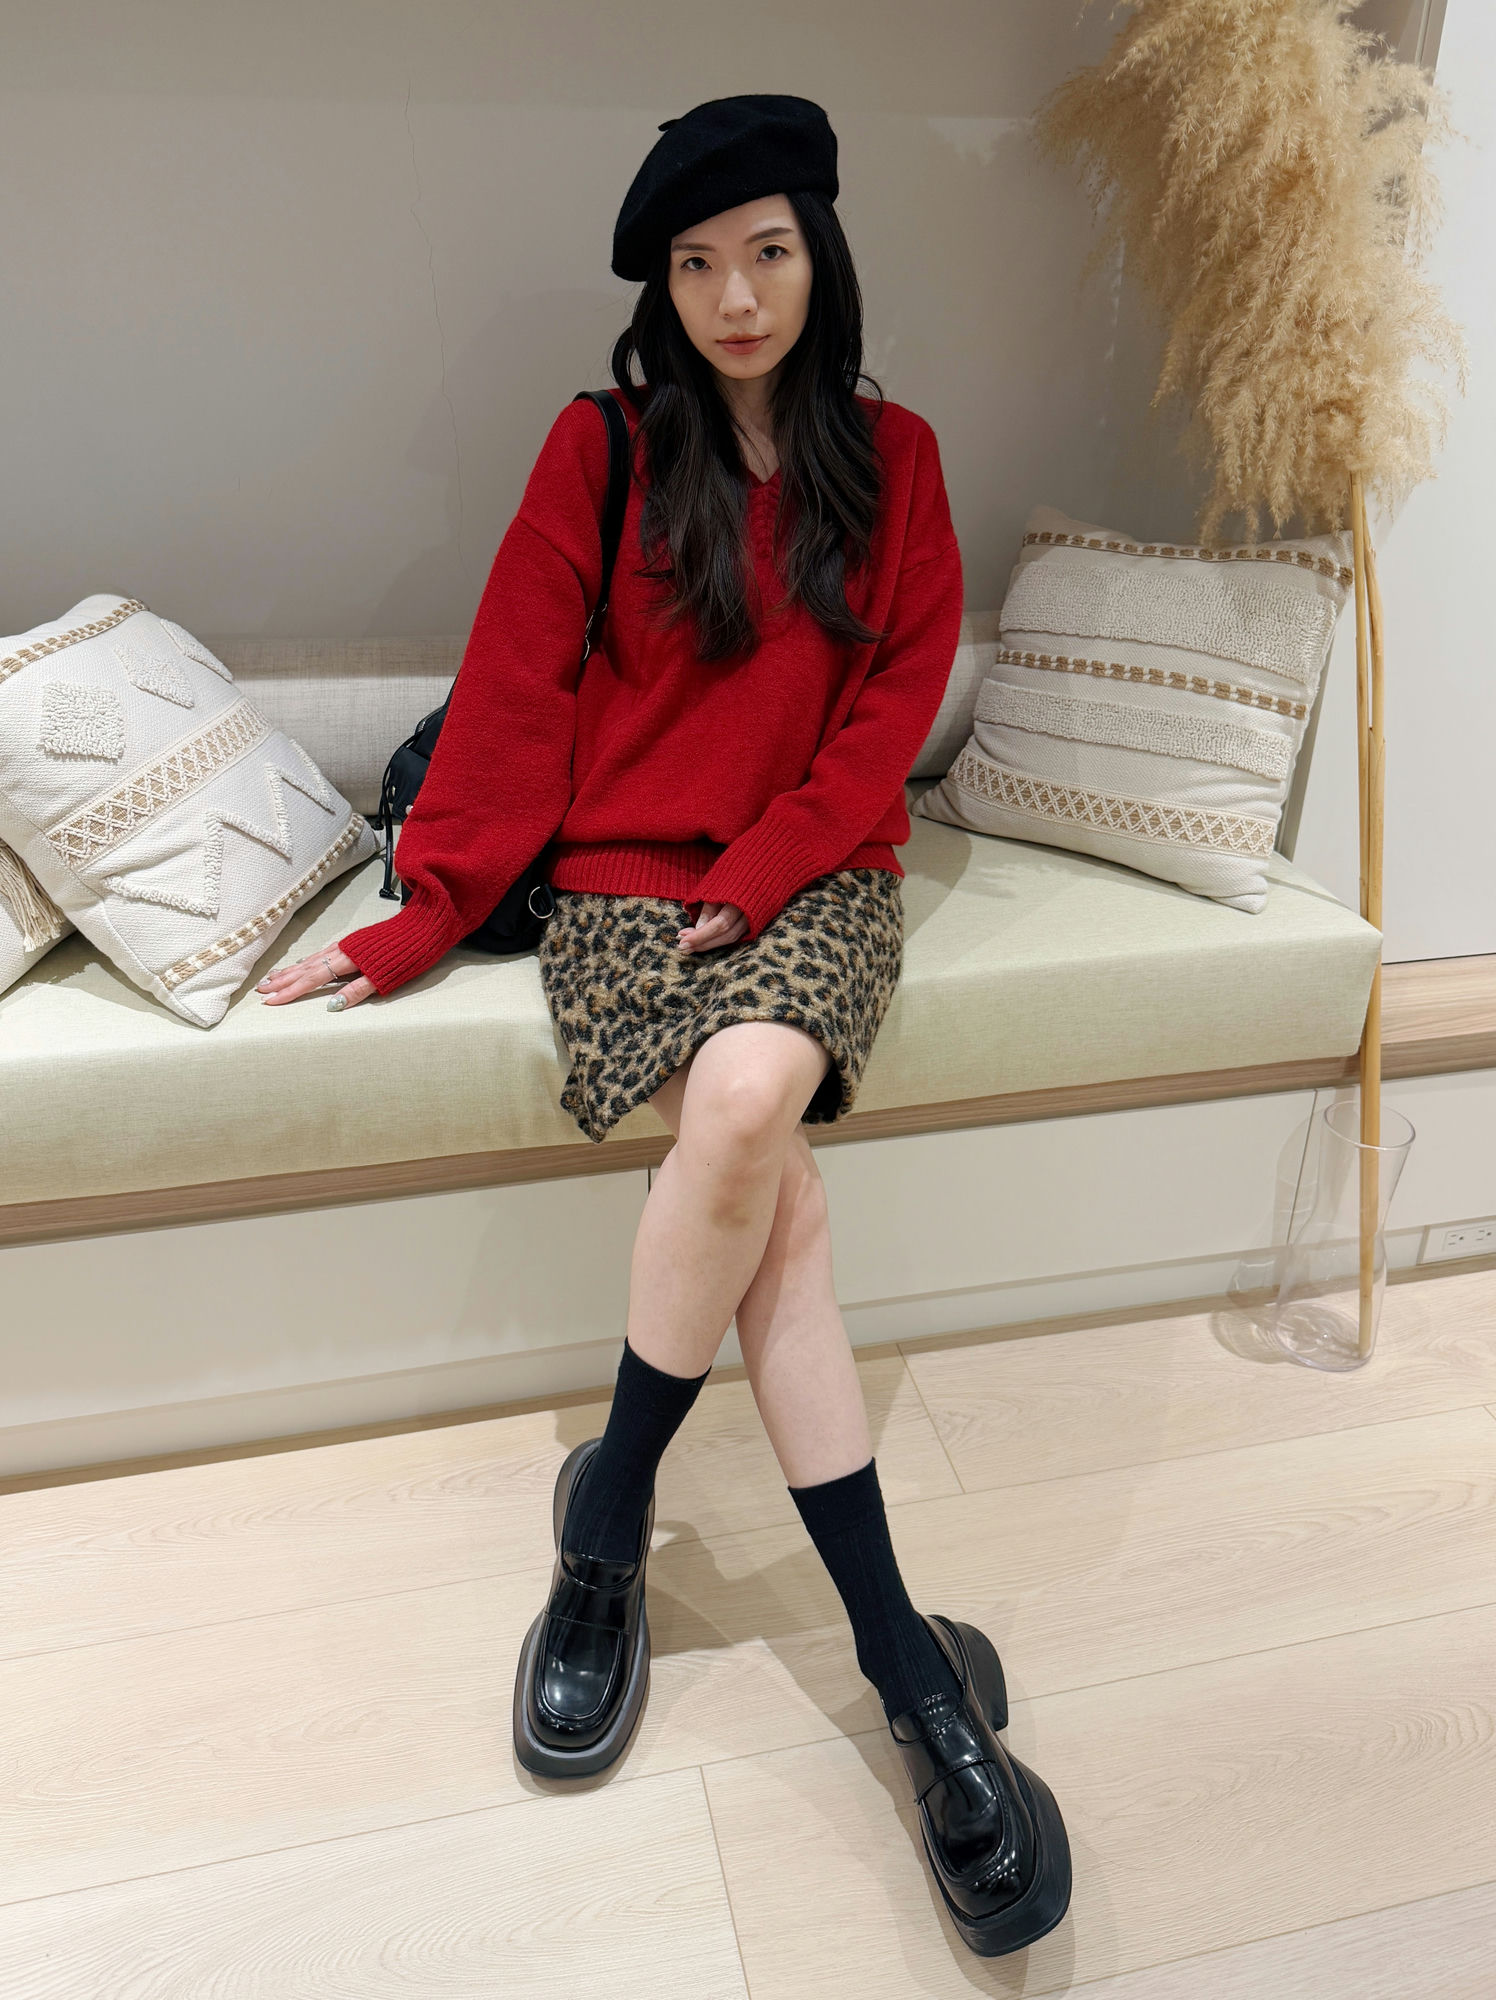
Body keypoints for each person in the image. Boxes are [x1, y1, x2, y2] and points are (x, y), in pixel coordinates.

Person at [258, 93, 1070, 1959]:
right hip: (625, 887)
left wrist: (775, 864)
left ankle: (610, 1519)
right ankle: (906, 1670)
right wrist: (422, 916)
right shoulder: (606, 447)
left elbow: (891, 710)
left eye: (767, 252)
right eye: (698, 266)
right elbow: (516, 685)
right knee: (775, 1191)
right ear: (664, 290)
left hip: (820, 874)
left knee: (749, 1103)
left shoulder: (898, 460)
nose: (736, 296)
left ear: (821, 256)